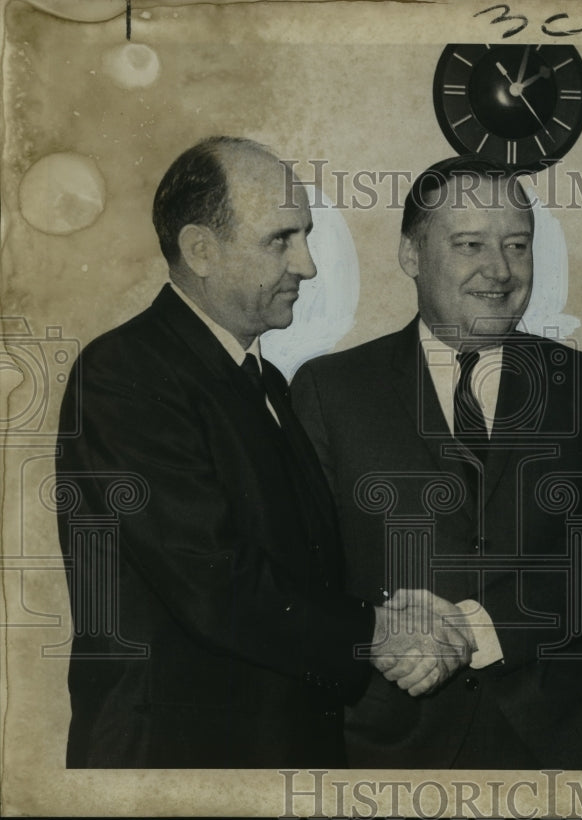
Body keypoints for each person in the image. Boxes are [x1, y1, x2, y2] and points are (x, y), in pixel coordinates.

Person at [54, 136, 462, 768]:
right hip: (174, 763)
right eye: (280, 239)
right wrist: (377, 632)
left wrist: (387, 609)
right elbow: (215, 580)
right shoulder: (124, 373)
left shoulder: (262, 381)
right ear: (200, 250)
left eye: (305, 236)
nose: (307, 265)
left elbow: (291, 562)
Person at [291, 156, 582, 769]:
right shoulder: (331, 392)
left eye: (518, 244)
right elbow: (300, 581)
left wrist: (479, 628)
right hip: (385, 747)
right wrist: (384, 633)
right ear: (411, 255)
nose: (500, 270)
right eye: (470, 244)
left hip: (553, 747)